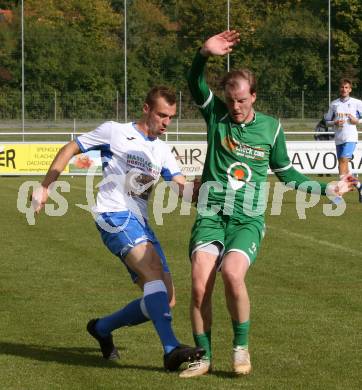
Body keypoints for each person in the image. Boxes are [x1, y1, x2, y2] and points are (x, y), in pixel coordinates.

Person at [179, 31, 355, 378]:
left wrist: (326, 189)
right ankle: (203, 356)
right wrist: (203, 53)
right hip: (211, 215)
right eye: (231, 100)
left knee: (231, 273)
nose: (236, 106)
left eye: (242, 100)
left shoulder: (271, 129)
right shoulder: (216, 115)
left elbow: (287, 174)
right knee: (200, 284)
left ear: (254, 96)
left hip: (247, 219)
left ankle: (240, 348)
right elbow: (193, 81)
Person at [31, 86, 205, 371]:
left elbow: (180, 189)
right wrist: (45, 185)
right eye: (162, 115)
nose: (166, 122)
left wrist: (198, 190)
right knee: (152, 277)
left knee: (165, 299)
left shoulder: (162, 150)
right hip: (113, 215)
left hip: (141, 222)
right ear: (146, 109)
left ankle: (101, 328)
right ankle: (171, 349)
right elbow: (71, 147)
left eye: (171, 117)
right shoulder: (114, 131)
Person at [324, 78, 362, 202]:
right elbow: (326, 121)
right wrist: (334, 122)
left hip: (350, 137)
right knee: (343, 169)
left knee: (343, 162)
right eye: (342, 87)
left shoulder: (357, 103)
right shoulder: (334, 104)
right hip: (339, 138)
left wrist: (357, 121)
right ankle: (359, 186)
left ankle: (338, 196)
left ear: (350, 89)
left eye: (346, 87)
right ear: (339, 89)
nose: (344, 89)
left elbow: (360, 119)